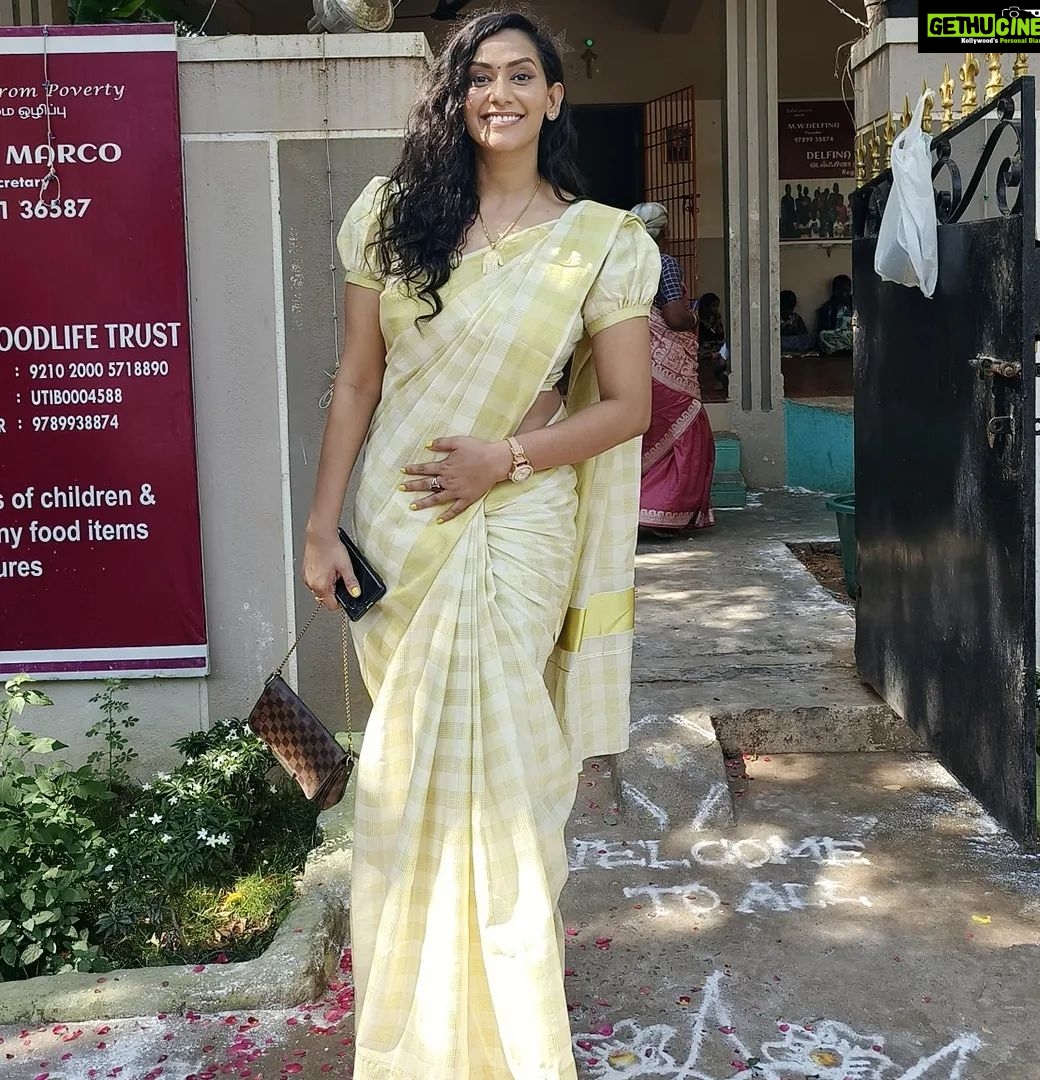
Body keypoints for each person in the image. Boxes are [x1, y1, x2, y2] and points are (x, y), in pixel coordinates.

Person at [301, 11, 658, 1079]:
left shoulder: (600, 242)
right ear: (455, 98)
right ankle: (418, 1032)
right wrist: (321, 524)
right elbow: (356, 380)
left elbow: (630, 406)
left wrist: (506, 458)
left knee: (510, 777)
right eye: (478, 77)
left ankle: (511, 1034)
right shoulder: (389, 219)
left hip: (516, 525)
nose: (498, 93)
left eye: (520, 76)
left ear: (554, 97)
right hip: (402, 531)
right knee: (409, 774)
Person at [630, 202, 716, 537]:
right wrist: (695, 317)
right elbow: (674, 317)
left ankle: (635, 508)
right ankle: (663, 512)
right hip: (667, 366)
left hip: (634, 357)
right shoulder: (663, 262)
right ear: (664, 232)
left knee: (648, 432)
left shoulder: (624, 264)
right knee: (688, 427)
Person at [696, 290, 728, 399]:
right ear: (705, 307)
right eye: (713, 306)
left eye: (717, 306)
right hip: (702, 350)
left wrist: (717, 322)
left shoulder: (715, 319)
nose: (715, 309)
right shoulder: (698, 320)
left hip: (715, 349)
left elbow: (720, 336)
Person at [817, 273, 854, 354]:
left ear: (850, 290)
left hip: (850, 335)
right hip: (835, 336)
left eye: (847, 291)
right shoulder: (827, 308)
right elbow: (822, 330)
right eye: (840, 291)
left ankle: (843, 349)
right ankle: (845, 349)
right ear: (834, 291)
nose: (844, 294)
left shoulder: (855, 306)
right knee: (822, 335)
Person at [780, 289, 816, 354]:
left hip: (795, 345)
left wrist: (795, 330)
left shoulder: (796, 318)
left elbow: (804, 336)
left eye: (790, 305)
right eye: (785, 305)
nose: (788, 309)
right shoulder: (775, 319)